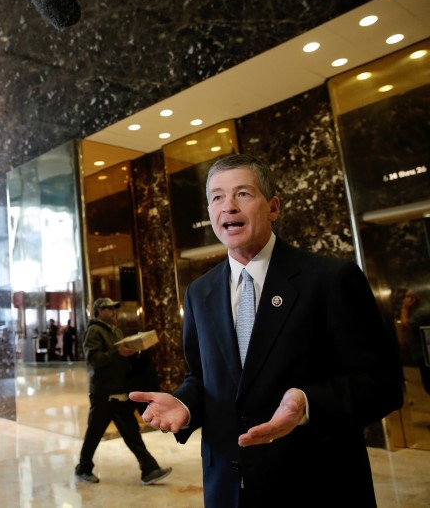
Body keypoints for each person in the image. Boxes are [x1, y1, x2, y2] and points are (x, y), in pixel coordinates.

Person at [129, 153, 403, 508]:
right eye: (216, 197)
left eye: (242, 193)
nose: (227, 206)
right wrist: (185, 403)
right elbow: (202, 376)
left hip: (316, 484)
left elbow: (382, 384)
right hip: (227, 486)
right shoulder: (200, 292)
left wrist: (307, 403)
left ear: (273, 207)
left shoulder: (330, 279)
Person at [74, 297, 172, 486]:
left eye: (114, 308)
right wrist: (116, 353)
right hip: (104, 394)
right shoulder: (94, 331)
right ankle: (83, 469)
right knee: (94, 434)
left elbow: (120, 358)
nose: (113, 311)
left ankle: (149, 469)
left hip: (120, 392)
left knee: (132, 433)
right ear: (99, 311)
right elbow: (93, 360)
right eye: (109, 308)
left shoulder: (116, 330)